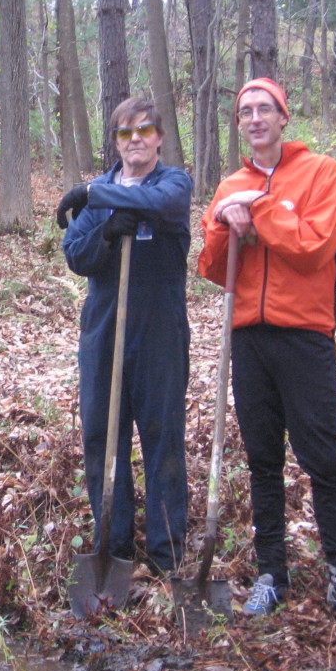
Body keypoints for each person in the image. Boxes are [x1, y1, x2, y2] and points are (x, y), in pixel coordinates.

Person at [197, 78, 336, 646]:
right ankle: (273, 573)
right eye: (245, 111)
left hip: (305, 337)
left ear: (283, 117)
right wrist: (228, 223)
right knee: (263, 460)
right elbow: (209, 264)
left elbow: (317, 246)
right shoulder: (230, 184)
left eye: (264, 110)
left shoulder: (320, 173)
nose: (254, 119)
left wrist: (260, 211)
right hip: (249, 338)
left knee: (322, 458)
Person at [56, 97, 192, 576]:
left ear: (158, 137)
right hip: (104, 335)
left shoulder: (172, 182)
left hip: (159, 336)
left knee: (163, 441)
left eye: (144, 130)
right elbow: (77, 256)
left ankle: (165, 555)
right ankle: (113, 549)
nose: (135, 139)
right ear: (114, 141)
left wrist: (95, 195)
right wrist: (109, 232)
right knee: (102, 439)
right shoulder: (104, 194)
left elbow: (164, 206)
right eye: (124, 132)